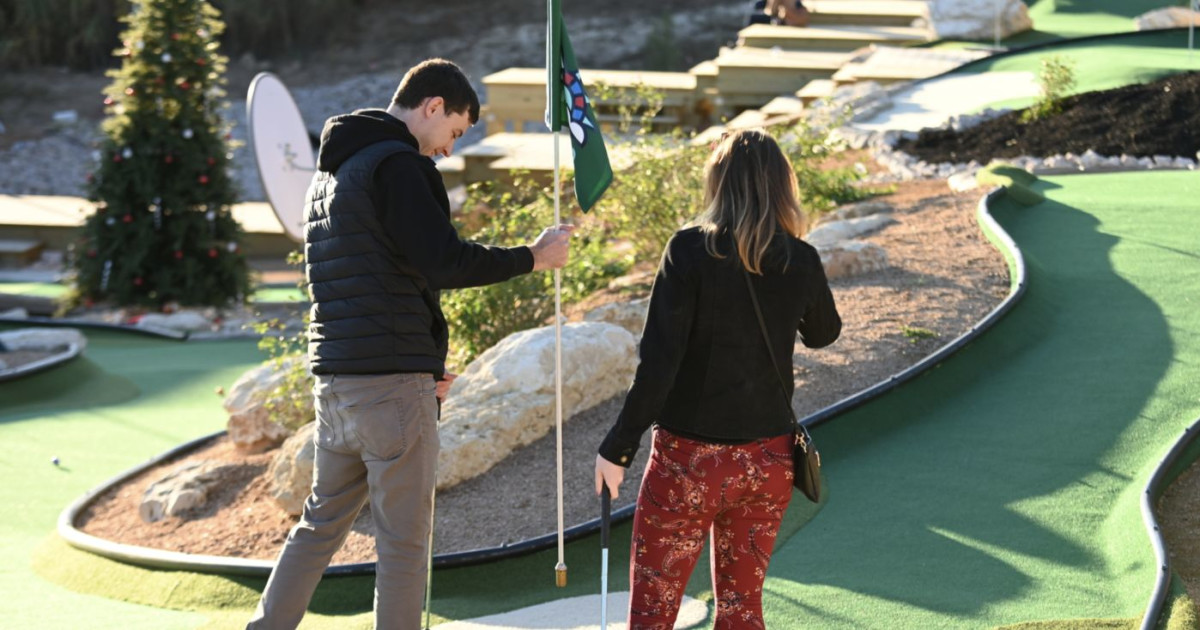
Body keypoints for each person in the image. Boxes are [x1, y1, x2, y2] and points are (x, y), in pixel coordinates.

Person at [248, 58, 573, 630]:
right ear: (433, 106)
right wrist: (533, 257)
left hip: (336, 383)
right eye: (454, 132)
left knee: (319, 525)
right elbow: (441, 261)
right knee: (403, 543)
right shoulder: (399, 165)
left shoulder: (331, 174)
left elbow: (370, 278)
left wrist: (424, 361)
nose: (447, 150)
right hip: (390, 389)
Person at [594, 129, 840, 629]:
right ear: (781, 186)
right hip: (767, 461)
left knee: (653, 613)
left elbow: (658, 363)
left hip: (689, 463)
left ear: (719, 183)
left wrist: (619, 447)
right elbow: (823, 334)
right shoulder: (801, 258)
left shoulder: (688, 251)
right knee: (742, 610)